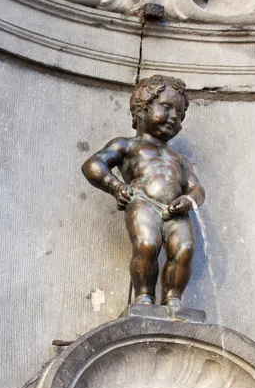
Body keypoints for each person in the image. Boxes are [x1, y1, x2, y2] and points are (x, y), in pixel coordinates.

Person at [82, 75, 205, 307]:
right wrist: (117, 187)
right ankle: (144, 296)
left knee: (185, 249)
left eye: (179, 114)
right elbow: (93, 165)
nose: (173, 117)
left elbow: (197, 188)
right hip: (142, 202)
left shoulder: (180, 159)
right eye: (166, 108)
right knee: (146, 244)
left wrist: (189, 199)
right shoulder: (127, 145)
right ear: (143, 108)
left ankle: (172, 300)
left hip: (176, 210)